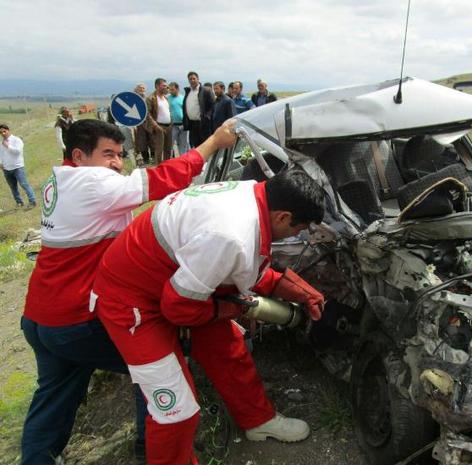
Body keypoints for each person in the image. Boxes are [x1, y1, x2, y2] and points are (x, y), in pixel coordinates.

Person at [20, 118, 238, 465]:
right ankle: (149, 445)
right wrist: (213, 142)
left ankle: (37, 459)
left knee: (53, 395)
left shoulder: (59, 180)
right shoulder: (92, 182)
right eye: (108, 154)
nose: (117, 164)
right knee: (154, 363)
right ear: (78, 155)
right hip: (77, 317)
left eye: (120, 155)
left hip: (41, 316)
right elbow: (161, 179)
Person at [92, 170, 326, 465]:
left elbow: (245, 268)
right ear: (282, 217)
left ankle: (258, 420)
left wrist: (302, 292)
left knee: (229, 348)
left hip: (170, 281)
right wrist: (231, 310)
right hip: (129, 299)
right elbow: (179, 309)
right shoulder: (230, 234)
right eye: (299, 229)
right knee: (175, 409)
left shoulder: (255, 194)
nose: (298, 235)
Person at [0, 123, 36, 208]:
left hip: (18, 167)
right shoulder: (2, 143)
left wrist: (8, 146)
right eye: (1, 133)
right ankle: (19, 202)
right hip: (6, 169)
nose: (3, 134)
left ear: (8, 130)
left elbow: (18, 152)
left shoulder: (17, 140)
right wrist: (0, 163)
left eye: (4, 131)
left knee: (24, 184)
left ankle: (32, 201)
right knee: (13, 187)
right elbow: (1, 154)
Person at [182, 71, 214, 149]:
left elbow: (212, 106)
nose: (192, 80)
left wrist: (207, 117)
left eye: (194, 78)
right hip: (192, 125)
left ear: (198, 79)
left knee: (205, 146)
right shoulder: (188, 92)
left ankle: (207, 161)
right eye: (190, 79)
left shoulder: (206, 90)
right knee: (196, 146)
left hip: (203, 124)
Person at [146, 78, 173, 164]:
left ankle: (167, 167)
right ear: (157, 86)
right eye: (164, 86)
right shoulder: (151, 98)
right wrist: (156, 126)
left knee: (168, 149)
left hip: (168, 126)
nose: (166, 87)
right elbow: (147, 114)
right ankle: (159, 168)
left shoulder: (166, 98)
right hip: (158, 127)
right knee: (159, 150)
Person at [167, 82, 189, 156]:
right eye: (170, 89)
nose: (170, 91)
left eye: (172, 89)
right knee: (170, 144)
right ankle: (169, 160)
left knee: (183, 145)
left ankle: (182, 160)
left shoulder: (183, 98)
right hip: (173, 125)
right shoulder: (167, 98)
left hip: (183, 125)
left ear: (177, 89)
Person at [133, 83, 152, 166]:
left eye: (143, 88)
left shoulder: (149, 98)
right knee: (142, 141)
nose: (142, 89)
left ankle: (153, 157)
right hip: (139, 124)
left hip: (149, 122)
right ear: (136, 89)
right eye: (140, 88)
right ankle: (145, 158)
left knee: (152, 140)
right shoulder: (133, 99)